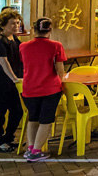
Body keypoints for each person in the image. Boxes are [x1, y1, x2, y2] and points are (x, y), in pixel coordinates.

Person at [19, 17, 66, 162]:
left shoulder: (23, 46)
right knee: (46, 120)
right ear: (50, 30)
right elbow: (59, 69)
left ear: (34, 29)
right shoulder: (56, 46)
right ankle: (37, 151)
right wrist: (63, 81)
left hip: (29, 88)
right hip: (49, 88)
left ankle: (30, 147)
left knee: (33, 118)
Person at [0, 9, 23, 153]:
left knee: (17, 111)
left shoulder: (14, 39)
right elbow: (3, 61)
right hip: (0, 82)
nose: (16, 26)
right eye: (12, 23)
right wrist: (14, 78)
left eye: (17, 23)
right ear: (2, 25)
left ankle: (9, 137)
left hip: (12, 83)